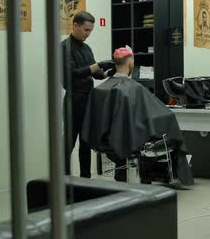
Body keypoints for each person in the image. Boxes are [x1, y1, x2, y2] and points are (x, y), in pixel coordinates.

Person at [81, 47, 194, 185]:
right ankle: (167, 173)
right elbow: (160, 115)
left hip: (105, 141)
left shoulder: (99, 90)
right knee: (169, 129)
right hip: (132, 140)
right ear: (131, 64)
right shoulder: (133, 88)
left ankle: (126, 174)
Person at [61, 11, 115, 178]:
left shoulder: (87, 48)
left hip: (88, 100)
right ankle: (64, 180)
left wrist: (108, 73)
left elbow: (95, 74)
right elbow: (72, 73)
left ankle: (86, 180)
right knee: (68, 143)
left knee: (86, 143)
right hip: (73, 101)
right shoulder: (64, 47)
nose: (88, 34)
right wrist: (97, 65)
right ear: (75, 25)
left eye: (90, 30)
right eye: (86, 30)